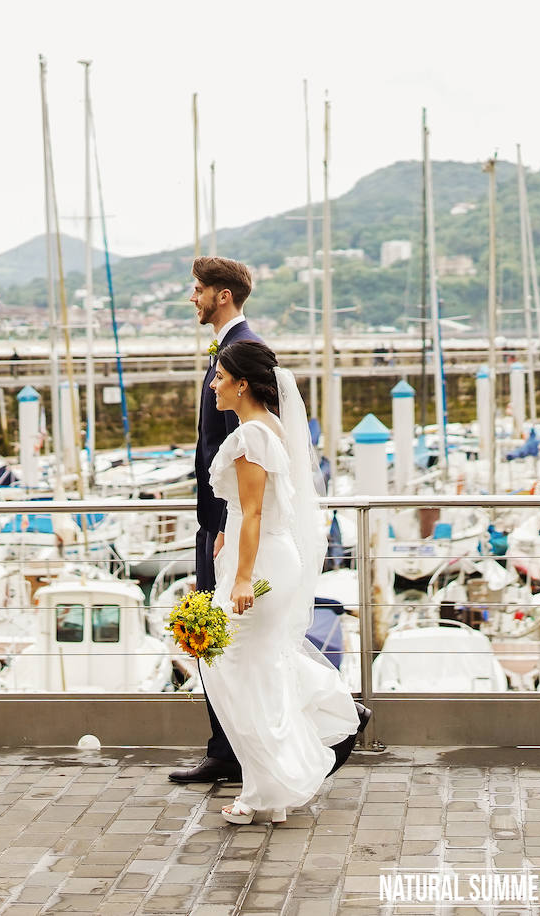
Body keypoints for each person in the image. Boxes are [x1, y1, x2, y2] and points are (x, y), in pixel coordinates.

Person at [205, 340, 368, 824]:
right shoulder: (268, 429)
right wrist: (224, 538)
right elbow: (256, 509)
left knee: (232, 669)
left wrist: (241, 578)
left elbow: (254, 511)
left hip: (258, 566)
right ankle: (270, 792)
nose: (214, 385)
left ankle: (269, 786)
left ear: (242, 384)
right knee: (257, 671)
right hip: (262, 555)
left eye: (219, 377)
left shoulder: (252, 436)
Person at [168, 257, 262, 785]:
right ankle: (225, 746)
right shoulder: (229, 348)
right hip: (217, 521)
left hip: (223, 526)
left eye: (199, 289)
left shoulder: (238, 353)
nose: (193, 298)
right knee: (220, 639)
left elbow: (238, 446)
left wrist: (224, 526)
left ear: (222, 296)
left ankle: (229, 751)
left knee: (221, 639)